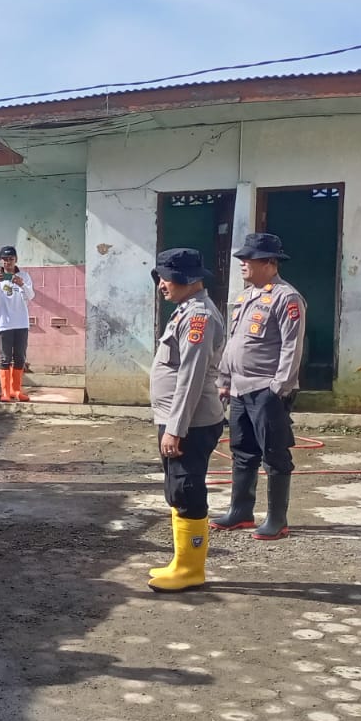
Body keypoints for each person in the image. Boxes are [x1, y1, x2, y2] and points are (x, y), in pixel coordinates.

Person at [214, 232, 306, 540]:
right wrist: (225, 381)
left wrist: (279, 387)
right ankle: (241, 511)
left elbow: (292, 347)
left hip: (266, 389)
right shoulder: (245, 297)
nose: (242, 263)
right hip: (240, 389)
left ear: (269, 262)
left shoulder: (286, 297)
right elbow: (234, 343)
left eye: (248, 259)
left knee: (274, 453)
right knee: (243, 451)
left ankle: (277, 519)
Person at [146, 248, 228, 592]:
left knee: (188, 490)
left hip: (189, 423)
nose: (162, 284)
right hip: (178, 420)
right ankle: (181, 562)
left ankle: (192, 571)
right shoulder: (184, 312)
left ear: (188, 280)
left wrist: (175, 430)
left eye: (167, 277)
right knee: (178, 490)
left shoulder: (199, 317)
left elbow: (191, 377)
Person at [0, 245, 35, 402]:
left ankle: (16, 391)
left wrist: (22, 284)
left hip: (21, 324)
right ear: (1, 261)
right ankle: (5, 392)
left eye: (11, 259)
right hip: (3, 324)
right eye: (5, 260)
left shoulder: (24, 276)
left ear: (16, 260)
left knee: (20, 358)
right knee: (5, 358)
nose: (8, 262)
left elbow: (31, 296)